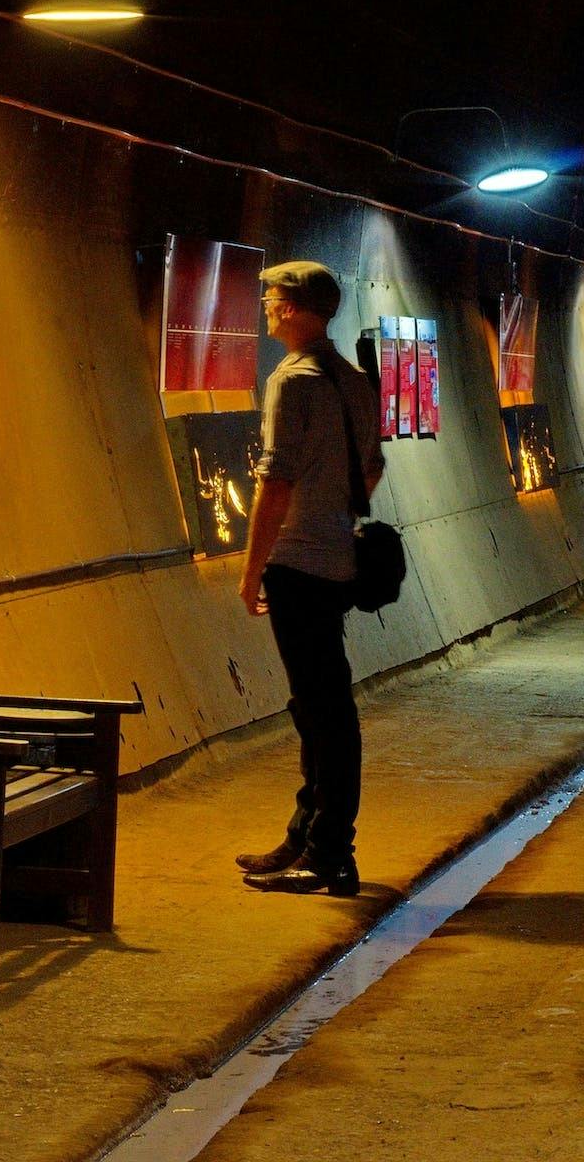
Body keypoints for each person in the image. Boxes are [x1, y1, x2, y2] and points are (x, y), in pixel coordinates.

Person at [236, 261, 385, 897]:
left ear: (297, 308)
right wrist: (333, 517)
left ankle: (330, 853)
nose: (266, 306)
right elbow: (372, 470)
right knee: (317, 704)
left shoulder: (292, 382)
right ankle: (307, 833)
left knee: (324, 710)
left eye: (273, 298)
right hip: (338, 561)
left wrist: (252, 570)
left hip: (297, 563)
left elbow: (276, 480)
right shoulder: (354, 381)